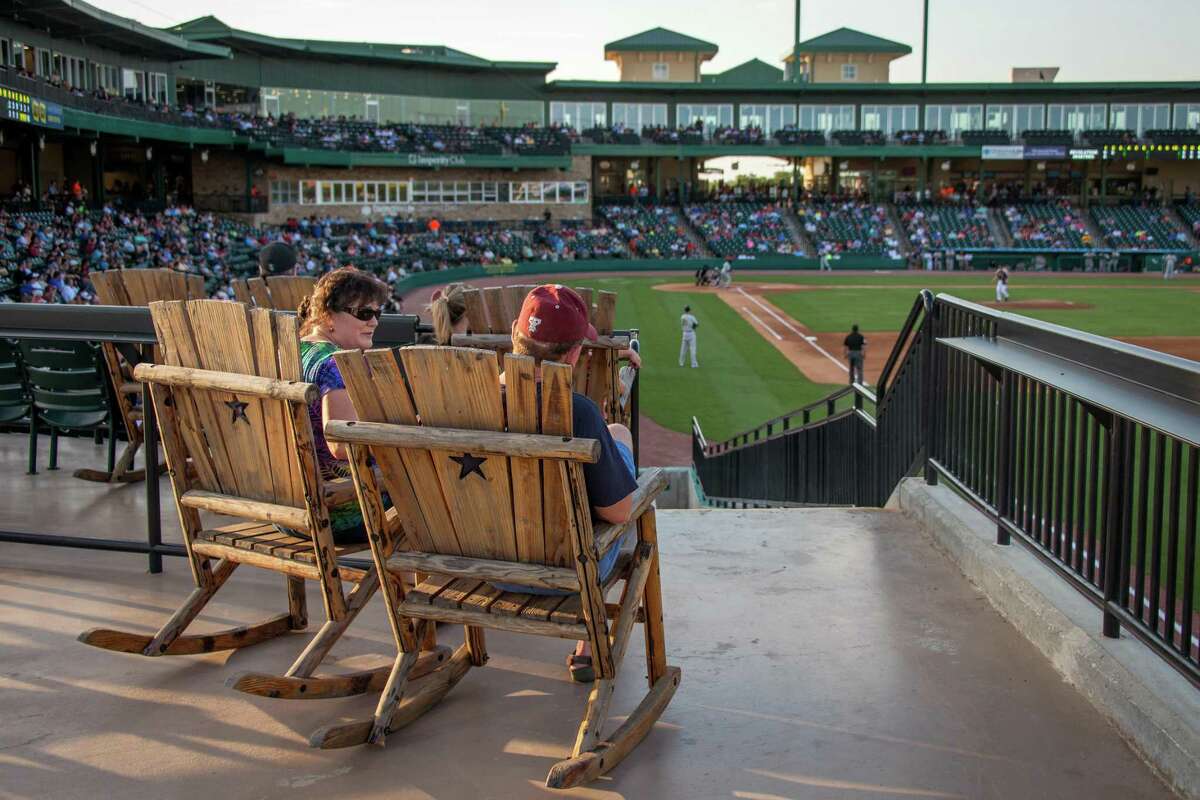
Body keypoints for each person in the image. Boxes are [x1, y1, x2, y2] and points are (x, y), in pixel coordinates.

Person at [494, 284, 639, 683]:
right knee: (619, 437)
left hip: (484, 564)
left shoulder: (465, 403)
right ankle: (588, 645)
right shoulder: (579, 413)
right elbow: (619, 512)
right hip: (564, 569)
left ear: (513, 334)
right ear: (574, 354)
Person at [293, 267, 389, 544]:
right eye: (363, 313)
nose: (374, 322)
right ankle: (404, 585)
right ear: (327, 316)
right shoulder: (335, 362)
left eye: (376, 313)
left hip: (288, 508)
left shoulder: (290, 350)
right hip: (339, 511)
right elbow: (341, 445)